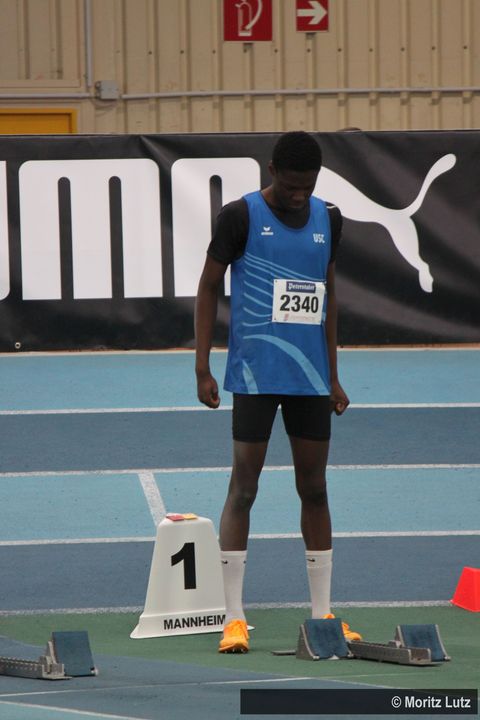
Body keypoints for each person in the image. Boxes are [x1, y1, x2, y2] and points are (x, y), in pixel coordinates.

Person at [194, 131, 361, 653]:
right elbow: (208, 286)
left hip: (309, 377)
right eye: (290, 185)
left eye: (307, 185)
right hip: (255, 376)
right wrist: (202, 367)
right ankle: (234, 618)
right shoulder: (239, 217)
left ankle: (323, 615)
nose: (298, 194)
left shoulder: (329, 219)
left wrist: (332, 374)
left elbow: (328, 296)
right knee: (244, 488)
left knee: (315, 489)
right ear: (272, 171)